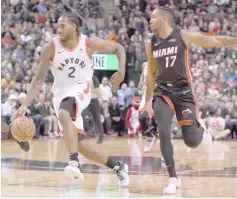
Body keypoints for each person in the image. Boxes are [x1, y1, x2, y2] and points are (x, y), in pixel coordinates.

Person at [12, 13, 129, 186]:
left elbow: (119, 48)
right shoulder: (51, 47)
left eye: (62, 26)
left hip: (81, 88)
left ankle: (74, 162)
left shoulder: (88, 43)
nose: (58, 29)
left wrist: (121, 71)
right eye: (57, 26)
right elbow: (38, 80)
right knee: (81, 145)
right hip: (59, 93)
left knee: (64, 112)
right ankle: (117, 166)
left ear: (74, 27)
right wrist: (24, 105)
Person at [140, 7, 237, 194]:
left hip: (184, 92)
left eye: (153, 17)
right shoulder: (150, 44)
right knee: (163, 129)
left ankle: (202, 131)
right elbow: (152, 75)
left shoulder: (183, 36)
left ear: (165, 19)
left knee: (191, 141)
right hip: (163, 92)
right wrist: (147, 100)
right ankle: (173, 179)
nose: (149, 21)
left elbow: (216, 40)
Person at [138, 62, 158, 152]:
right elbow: (143, 73)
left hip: (158, 93)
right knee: (141, 118)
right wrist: (140, 82)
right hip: (147, 94)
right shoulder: (145, 64)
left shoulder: (163, 62)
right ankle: (150, 136)